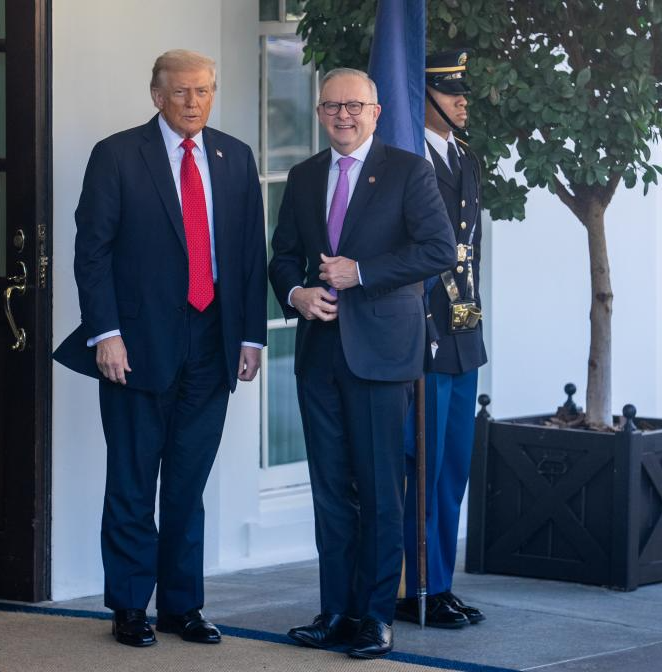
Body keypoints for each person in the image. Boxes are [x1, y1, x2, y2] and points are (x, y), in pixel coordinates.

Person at [53, 50, 266, 648]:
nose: (193, 102)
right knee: (132, 481)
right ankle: (129, 606)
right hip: (135, 348)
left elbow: (250, 256)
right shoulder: (118, 155)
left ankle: (182, 607)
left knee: (187, 485)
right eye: (180, 92)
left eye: (203, 91)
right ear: (156, 95)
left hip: (213, 344)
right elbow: (91, 253)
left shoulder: (234, 157)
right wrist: (106, 334)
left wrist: (250, 336)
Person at [269, 67, 456, 659]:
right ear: (319, 113)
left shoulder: (408, 171)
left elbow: (438, 250)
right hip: (319, 353)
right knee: (329, 490)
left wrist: (363, 274)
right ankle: (336, 611)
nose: (343, 116)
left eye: (354, 106)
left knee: (379, 491)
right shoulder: (302, 178)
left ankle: (376, 617)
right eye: (331, 107)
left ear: (376, 112)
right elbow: (283, 257)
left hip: (381, 353)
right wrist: (295, 294)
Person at [396, 49, 489, 629]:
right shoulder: (408, 164)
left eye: (462, 91)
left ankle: (443, 583)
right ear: (425, 98)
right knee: (422, 468)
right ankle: (417, 586)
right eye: (450, 92)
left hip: (463, 329)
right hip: (422, 331)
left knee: (453, 465)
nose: (462, 101)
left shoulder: (465, 158)